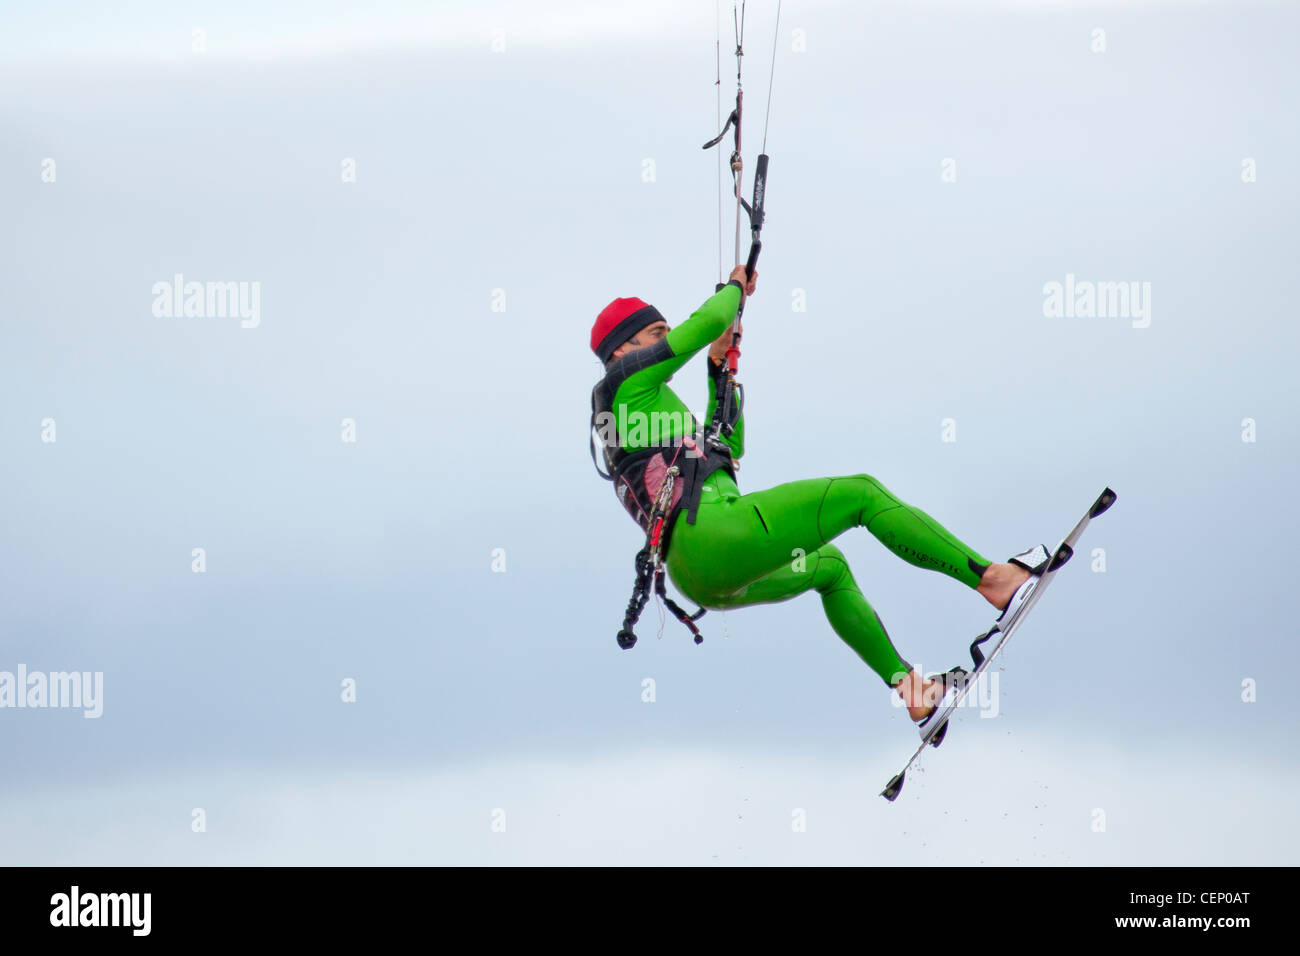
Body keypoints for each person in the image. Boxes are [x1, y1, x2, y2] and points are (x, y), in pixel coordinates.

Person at [589, 266, 1047, 740]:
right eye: (657, 333)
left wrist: (716, 372)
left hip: (700, 576)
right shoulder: (623, 384)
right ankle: (995, 581)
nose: (668, 340)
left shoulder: (640, 410)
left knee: (829, 566)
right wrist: (734, 290)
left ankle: (915, 693)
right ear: (622, 350)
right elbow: (709, 319)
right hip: (713, 532)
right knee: (862, 494)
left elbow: (728, 450)